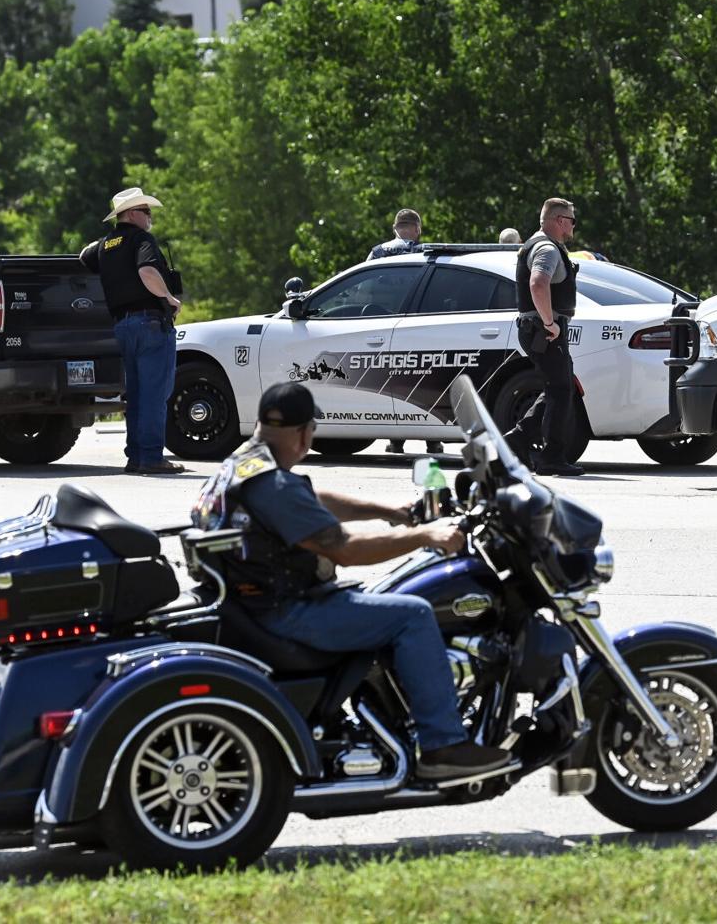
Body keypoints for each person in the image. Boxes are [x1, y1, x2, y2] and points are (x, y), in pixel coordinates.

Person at [191, 382, 512, 779]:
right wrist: (426, 536)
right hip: (286, 610)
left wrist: (389, 511)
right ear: (303, 433)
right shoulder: (273, 486)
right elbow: (345, 550)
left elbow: (311, 501)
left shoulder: (245, 463)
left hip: (251, 603)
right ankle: (442, 746)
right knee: (413, 614)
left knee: (384, 598)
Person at [80, 187, 185, 476]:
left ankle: (136, 457)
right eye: (146, 211)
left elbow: (83, 255)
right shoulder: (141, 239)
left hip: (123, 327)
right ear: (132, 214)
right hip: (150, 323)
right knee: (155, 394)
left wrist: (110, 238)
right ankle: (151, 457)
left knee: (137, 395)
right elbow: (147, 272)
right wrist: (169, 298)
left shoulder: (105, 245)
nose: (150, 217)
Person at [506, 198, 583, 476]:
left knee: (559, 387)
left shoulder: (541, 245)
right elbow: (538, 283)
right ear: (560, 220)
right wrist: (550, 323)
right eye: (572, 220)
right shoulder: (546, 249)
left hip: (540, 329)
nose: (573, 226)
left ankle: (519, 438)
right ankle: (551, 457)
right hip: (544, 330)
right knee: (561, 390)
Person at [369, 208, 443, 456]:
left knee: (391, 380)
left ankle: (396, 440)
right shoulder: (426, 252)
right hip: (419, 326)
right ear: (417, 229)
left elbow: (363, 286)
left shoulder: (378, 253)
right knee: (424, 379)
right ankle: (432, 440)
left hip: (382, 326)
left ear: (395, 228)